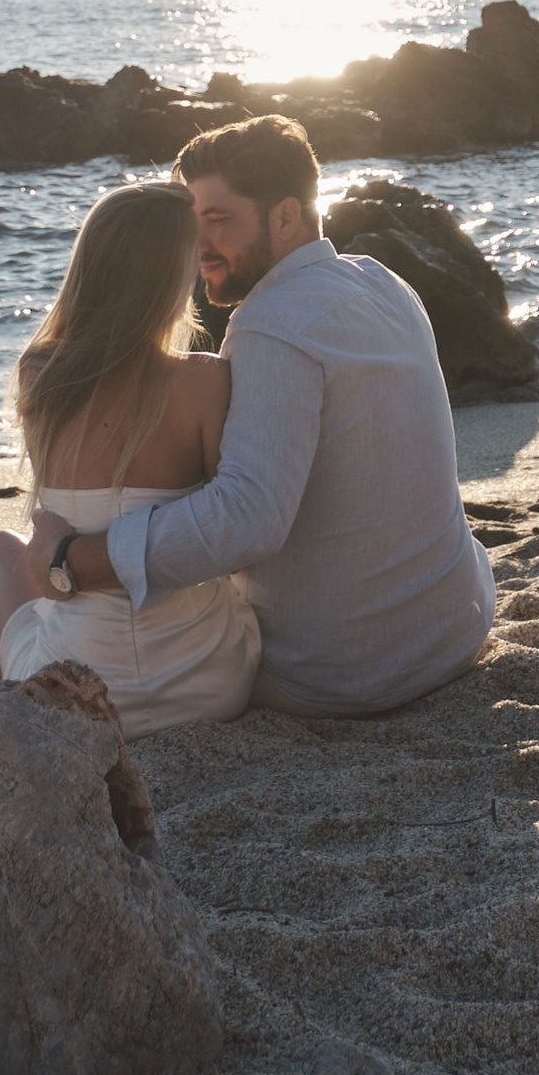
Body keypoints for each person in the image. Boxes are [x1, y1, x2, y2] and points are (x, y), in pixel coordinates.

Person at [45, 111, 496, 716]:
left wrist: (78, 559)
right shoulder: (384, 283)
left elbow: (248, 518)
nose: (197, 246)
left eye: (219, 220)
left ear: (285, 215)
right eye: (190, 224)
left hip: (343, 677)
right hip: (453, 633)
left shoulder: (268, 328)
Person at [0, 177, 260, 726]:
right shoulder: (206, 381)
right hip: (208, 683)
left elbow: (52, 554)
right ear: (173, 275)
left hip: (77, 699)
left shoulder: (42, 377)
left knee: (1, 551)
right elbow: (225, 520)